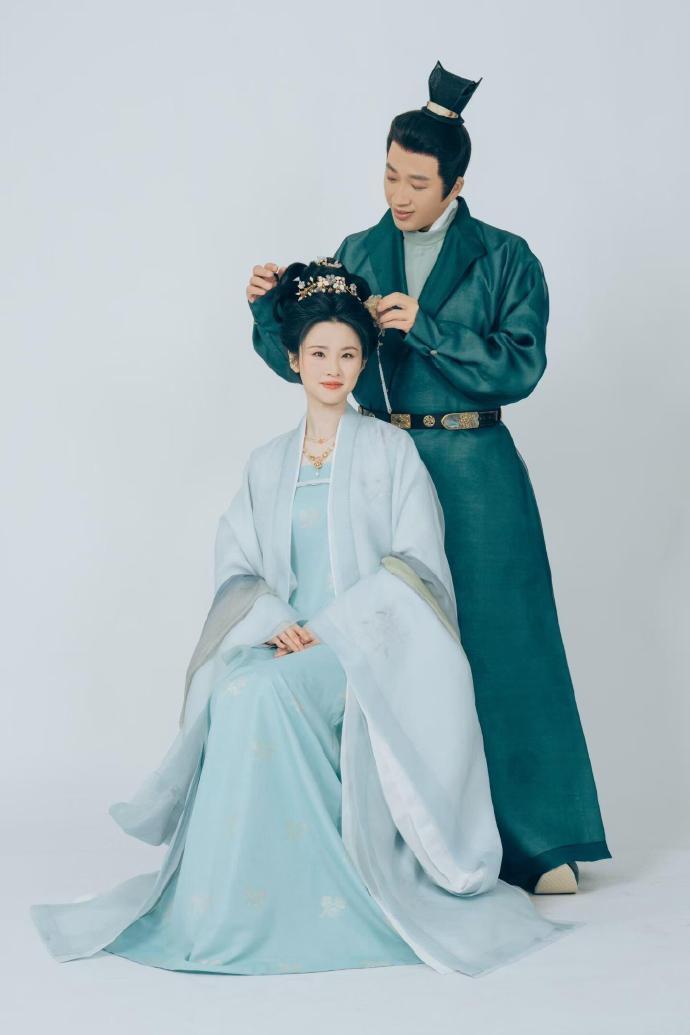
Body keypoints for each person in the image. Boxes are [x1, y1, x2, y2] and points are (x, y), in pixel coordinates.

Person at [30, 259, 577, 977]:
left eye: (348, 354)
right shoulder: (267, 463)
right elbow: (238, 567)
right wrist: (275, 622)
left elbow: (418, 568)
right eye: (319, 353)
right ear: (293, 359)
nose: (333, 369)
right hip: (284, 637)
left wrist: (330, 630)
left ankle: (323, 893)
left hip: (365, 649)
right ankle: (230, 901)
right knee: (234, 688)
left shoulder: (392, 451)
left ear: (364, 361)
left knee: (262, 691)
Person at [247, 62, 611, 895]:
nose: (399, 194)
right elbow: (317, 359)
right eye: (389, 174)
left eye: (417, 181)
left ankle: (538, 842)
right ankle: (408, 838)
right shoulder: (358, 253)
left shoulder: (505, 256)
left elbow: (522, 364)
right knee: (394, 645)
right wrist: (268, 309)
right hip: (380, 464)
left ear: (457, 183)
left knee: (504, 642)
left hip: (478, 471)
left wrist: (431, 329)